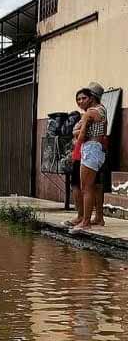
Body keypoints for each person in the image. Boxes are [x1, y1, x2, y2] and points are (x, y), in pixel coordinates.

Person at [70, 83, 108, 233]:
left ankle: (85, 221)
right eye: (78, 99)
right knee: (92, 186)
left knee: (86, 187)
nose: (80, 102)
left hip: (90, 148)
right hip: (98, 149)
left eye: (83, 98)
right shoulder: (103, 110)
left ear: (91, 98)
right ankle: (94, 218)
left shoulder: (89, 113)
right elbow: (104, 131)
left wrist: (76, 152)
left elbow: (82, 135)